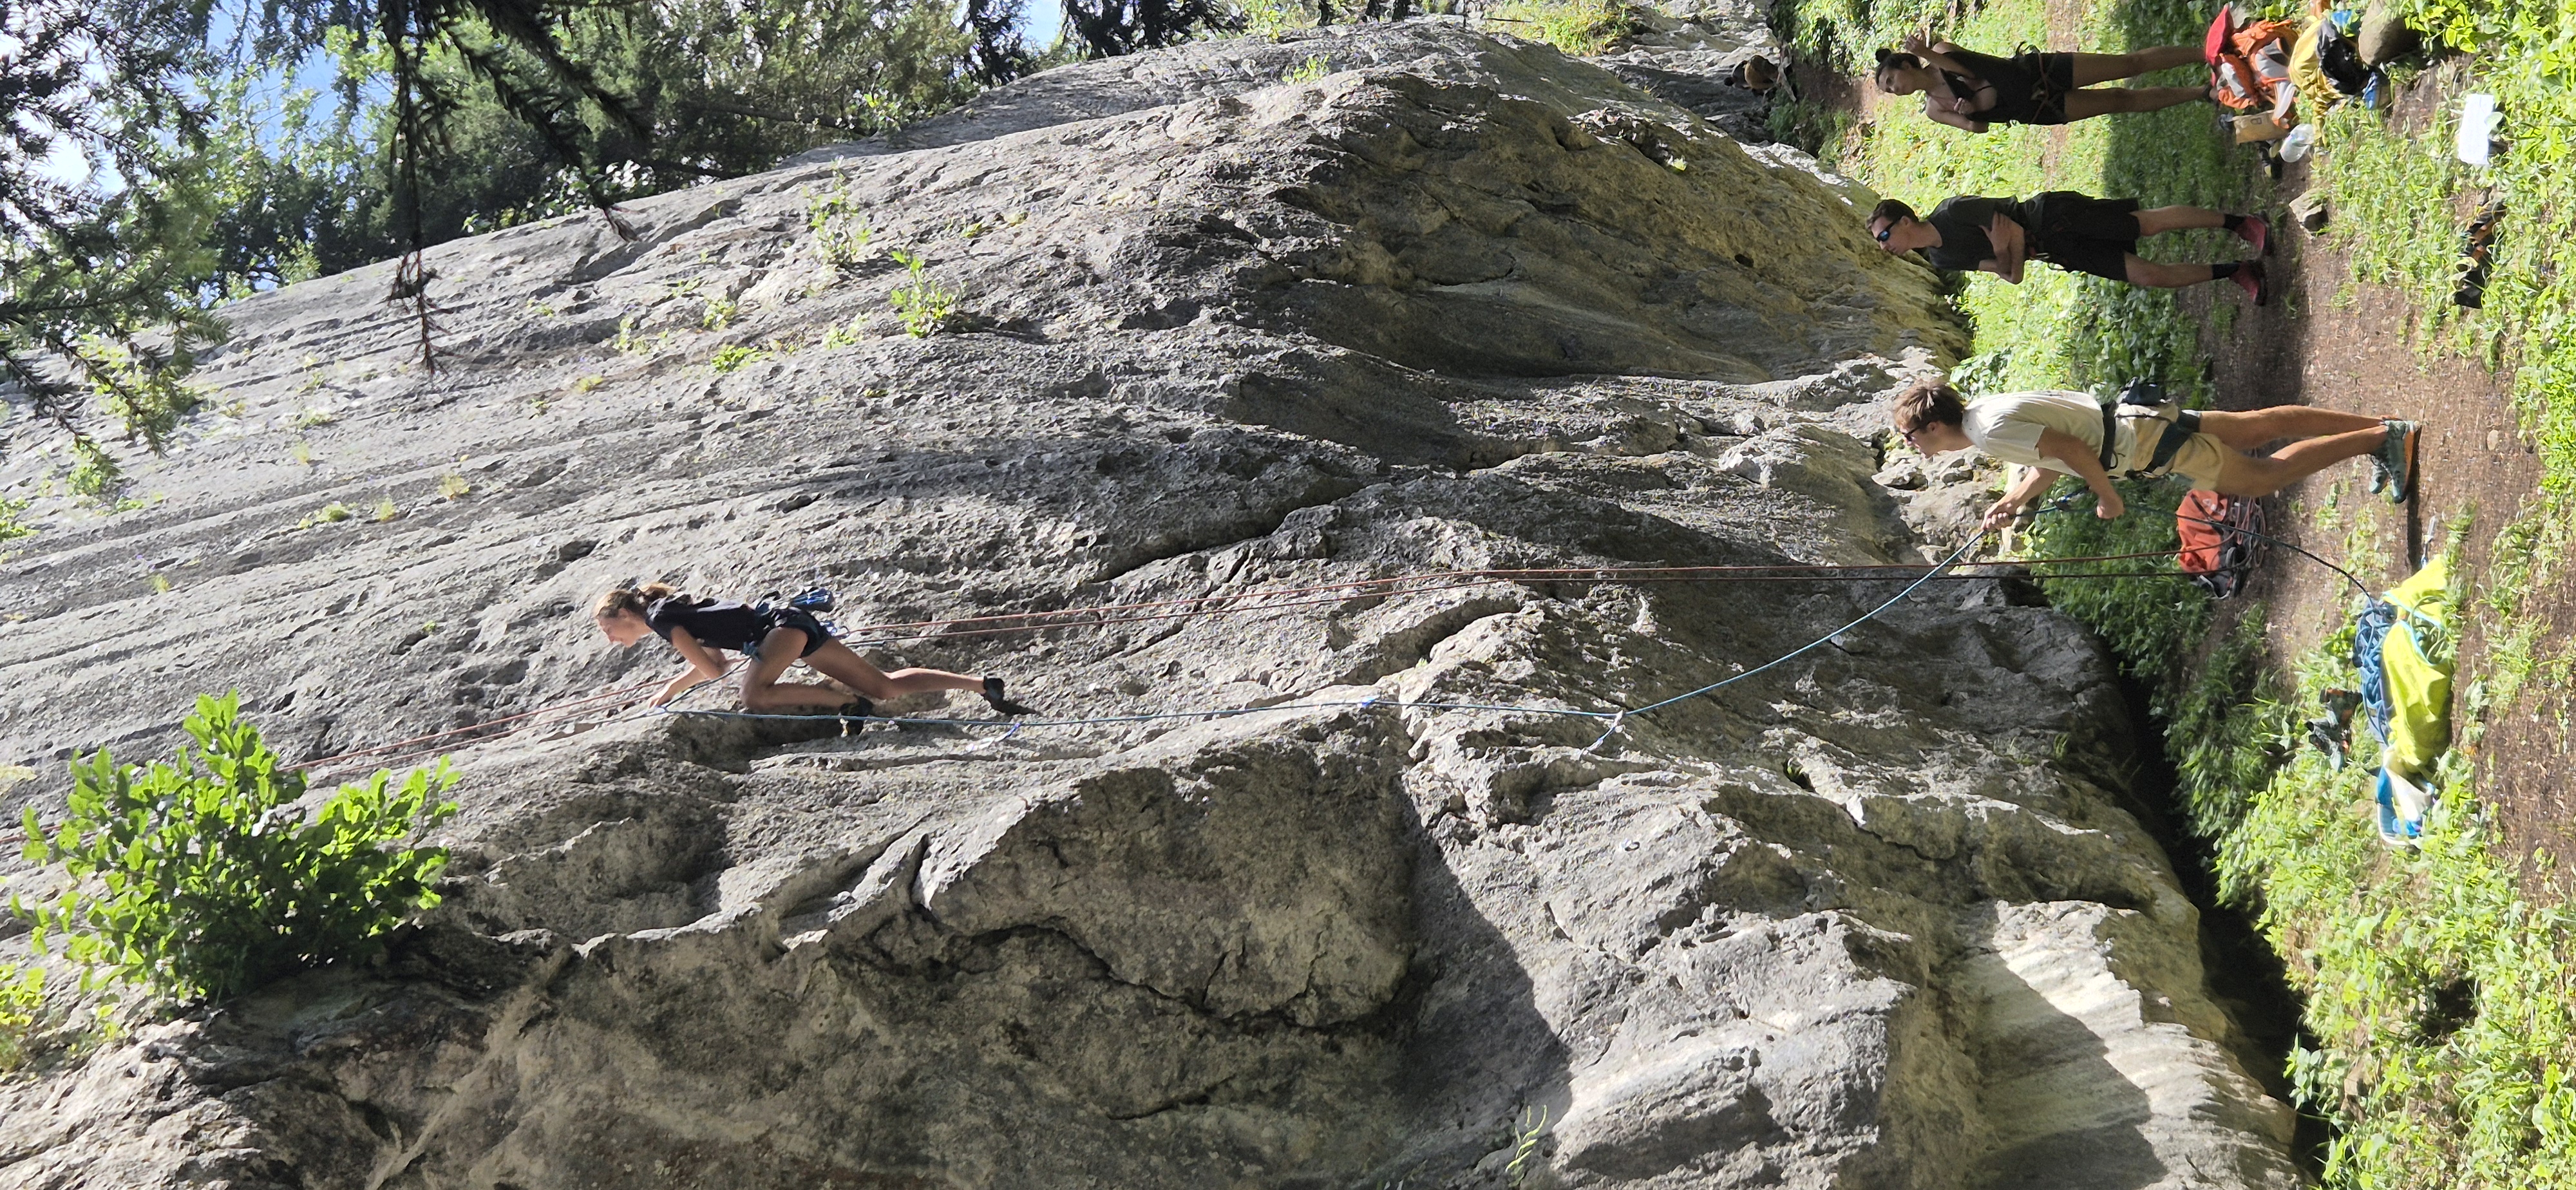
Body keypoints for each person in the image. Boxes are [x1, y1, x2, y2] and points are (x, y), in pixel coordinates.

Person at [1886, 379, 2420, 531]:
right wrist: (2014, 499)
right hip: (2139, 418)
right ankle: (2382, 428)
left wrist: (2108, 496)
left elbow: (2069, 450)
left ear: (1933, 427)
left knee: (2259, 478)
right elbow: (2050, 458)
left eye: (1913, 438)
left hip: (2140, 444)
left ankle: (2385, 439)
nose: (1914, 448)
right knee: (2264, 424)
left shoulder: (1988, 436)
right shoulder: (1983, 412)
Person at [592, 583, 1034, 717]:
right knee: (886, 688)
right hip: (793, 625)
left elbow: (711, 671)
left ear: (622, 614)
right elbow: (719, 662)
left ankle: (846, 704)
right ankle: (981, 685)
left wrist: (674, 685)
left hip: (781, 630)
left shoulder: (660, 619)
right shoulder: (669, 611)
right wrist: (670, 690)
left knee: (753, 697)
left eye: (607, 629)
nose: (610, 640)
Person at [1867, 192, 2273, 303]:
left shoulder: (1954, 212)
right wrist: (2008, 246)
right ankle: (2237, 270)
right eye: (1880, 243)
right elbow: (2011, 274)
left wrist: (2009, 247)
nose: (1885, 247)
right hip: (2054, 250)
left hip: (2054, 217)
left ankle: (2241, 223)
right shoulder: (1941, 257)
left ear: (1905, 221)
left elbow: (2013, 244)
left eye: (1884, 235)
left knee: (2146, 224)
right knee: (2152, 276)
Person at [1872, 33, 2206, 130]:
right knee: (2120, 100)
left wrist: (1929, 52)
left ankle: (2206, 53)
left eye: (1891, 79)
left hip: (2037, 72)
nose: (1894, 89)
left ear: (1904, 64)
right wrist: (1969, 110)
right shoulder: (1934, 109)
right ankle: (2201, 92)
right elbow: (1978, 128)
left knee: (2127, 64)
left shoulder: (1941, 51)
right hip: (2033, 107)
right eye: (1888, 89)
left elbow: (1970, 72)